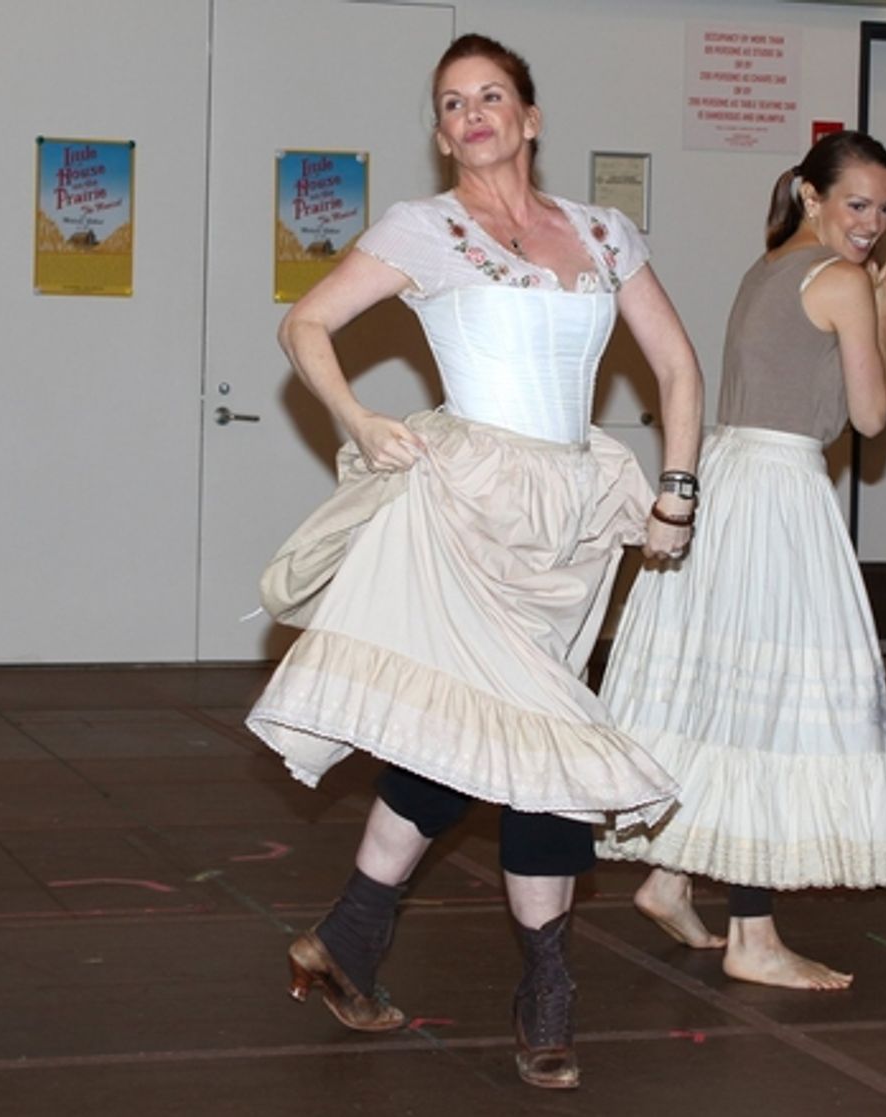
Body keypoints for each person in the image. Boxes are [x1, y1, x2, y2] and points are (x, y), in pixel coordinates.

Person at [245, 34, 703, 1090]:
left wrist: (674, 491)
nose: (472, 115)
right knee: (538, 738)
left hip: (571, 515)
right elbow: (304, 322)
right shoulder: (424, 229)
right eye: (451, 104)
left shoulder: (600, 230)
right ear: (440, 130)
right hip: (466, 504)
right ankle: (546, 987)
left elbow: (674, 365)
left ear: (530, 117)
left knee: (475, 733)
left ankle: (350, 934)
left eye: (490, 96)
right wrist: (358, 417)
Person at [597, 131, 886, 990]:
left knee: (724, 687)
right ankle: (753, 933)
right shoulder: (844, 281)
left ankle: (670, 875)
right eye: (857, 204)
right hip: (776, 492)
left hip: (729, 478)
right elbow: (872, 415)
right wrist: (885, 320)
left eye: (884, 209)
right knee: (768, 705)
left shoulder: (770, 263)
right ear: (812, 196)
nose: (872, 224)